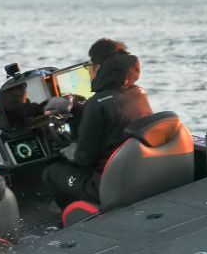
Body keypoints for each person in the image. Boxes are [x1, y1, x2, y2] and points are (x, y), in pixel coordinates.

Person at [40, 51, 152, 210]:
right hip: (141, 171)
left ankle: (76, 219)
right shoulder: (138, 93)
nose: (89, 73)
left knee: (52, 173)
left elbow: (83, 159)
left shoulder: (97, 104)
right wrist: (74, 104)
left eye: (91, 68)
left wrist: (71, 152)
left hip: (108, 185)